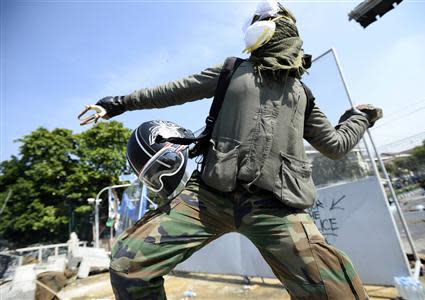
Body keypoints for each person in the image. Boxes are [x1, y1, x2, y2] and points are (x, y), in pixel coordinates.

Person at [83, 1, 382, 299]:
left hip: (276, 207)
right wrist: (120, 103)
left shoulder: (302, 94)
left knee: (339, 293)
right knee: (129, 264)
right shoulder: (233, 71)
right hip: (209, 197)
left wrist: (359, 118)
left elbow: (335, 145)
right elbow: (174, 91)